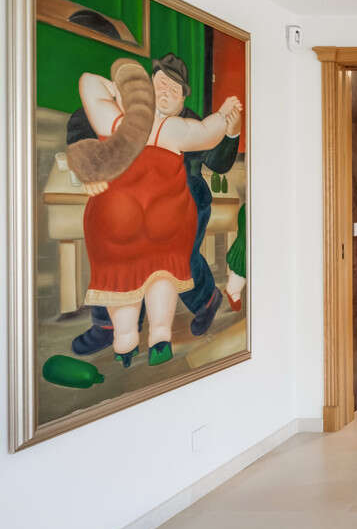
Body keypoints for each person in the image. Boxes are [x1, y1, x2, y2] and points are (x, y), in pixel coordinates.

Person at [68, 57, 242, 367]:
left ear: (183, 100)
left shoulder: (180, 124)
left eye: (175, 89)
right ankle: (119, 333)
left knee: (168, 270)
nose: (166, 91)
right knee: (120, 273)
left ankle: (180, 320)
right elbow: (86, 104)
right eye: (160, 83)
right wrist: (87, 165)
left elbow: (215, 153)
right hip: (120, 218)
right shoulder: (121, 116)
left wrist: (228, 125)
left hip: (175, 208)